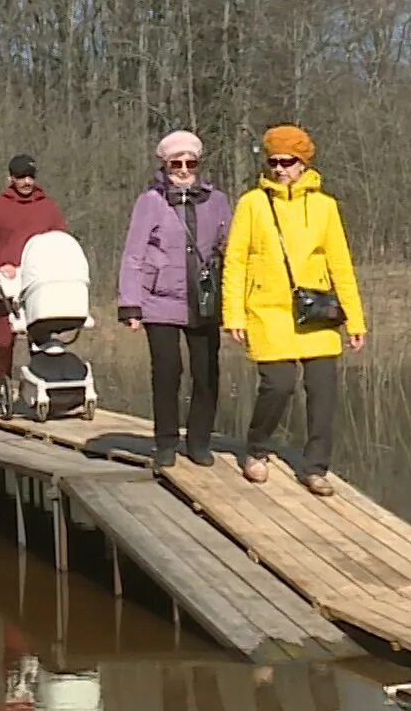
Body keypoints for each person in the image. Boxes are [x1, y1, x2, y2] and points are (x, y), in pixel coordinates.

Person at [220, 124, 367, 497]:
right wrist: (233, 314)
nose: (280, 168)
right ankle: (256, 448)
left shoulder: (324, 206)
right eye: (274, 161)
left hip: (316, 313)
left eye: (288, 161)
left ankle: (316, 467)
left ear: (303, 163)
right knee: (278, 385)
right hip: (267, 312)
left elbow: (341, 264)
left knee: (322, 392)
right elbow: (235, 261)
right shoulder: (252, 204)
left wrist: (355, 318)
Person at [118, 130, 233, 468]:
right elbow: (133, 255)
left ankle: (199, 441)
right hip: (159, 300)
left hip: (204, 297)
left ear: (198, 165)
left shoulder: (218, 201)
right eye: (176, 164)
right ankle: (165, 442)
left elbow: (231, 250)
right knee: (168, 371)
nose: (183, 170)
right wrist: (130, 304)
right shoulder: (150, 202)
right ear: (165, 166)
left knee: (207, 371)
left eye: (190, 163)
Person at [0, 153, 69, 401]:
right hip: (7, 282)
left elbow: (61, 240)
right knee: (5, 338)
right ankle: (4, 383)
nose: (26, 182)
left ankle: (41, 386)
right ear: (10, 178)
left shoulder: (47, 206)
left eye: (30, 177)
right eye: (20, 177)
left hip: (40, 282)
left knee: (41, 337)